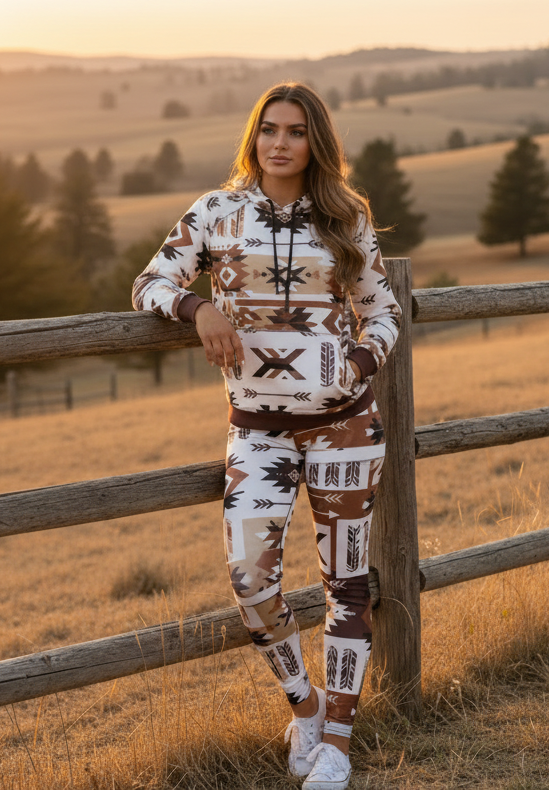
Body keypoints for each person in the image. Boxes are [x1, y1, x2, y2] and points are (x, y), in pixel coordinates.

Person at [132, 82, 400, 790]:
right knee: (251, 582)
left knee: (348, 587)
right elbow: (148, 284)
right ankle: (305, 705)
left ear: (317, 142)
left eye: (296, 132)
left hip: (345, 427)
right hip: (259, 431)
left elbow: (384, 309)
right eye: (269, 130)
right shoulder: (216, 213)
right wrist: (196, 308)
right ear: (254, 137)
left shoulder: (345, 216)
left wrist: (361, 360)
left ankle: (338, 742)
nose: (280, 143)